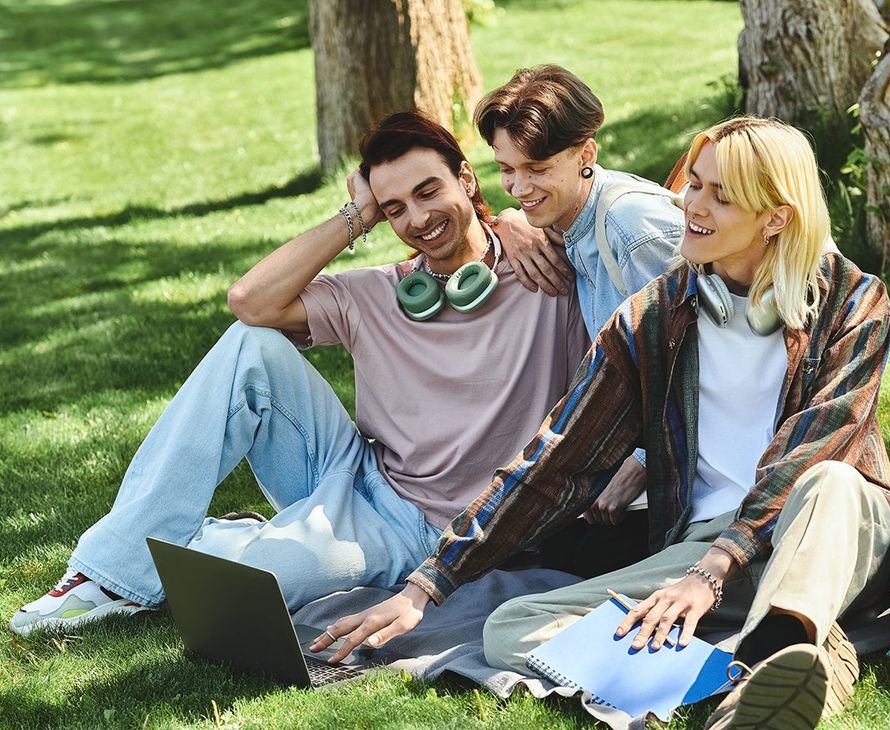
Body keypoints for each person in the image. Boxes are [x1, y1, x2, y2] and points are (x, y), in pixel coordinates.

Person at [315, 117, 890, 730]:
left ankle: (782, 641)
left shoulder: (853, 301)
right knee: (511, 627)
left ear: (776, 217)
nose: (690, 206)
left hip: (830, 533)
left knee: (830, 483)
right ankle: (774, 664)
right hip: (705, 546)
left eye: (719, 196)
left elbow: (815, 445)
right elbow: (556, 460)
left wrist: (713, 573)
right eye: (694, 185)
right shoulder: (653, 318)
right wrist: (428, 585)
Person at [10, 111, 588, 636]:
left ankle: (222, 535)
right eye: (394, 209)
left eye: (428, 190)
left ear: (467, 178)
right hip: (360, 477)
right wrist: (355, 216)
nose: (418, 219)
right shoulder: (381, 294)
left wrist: (513, 219)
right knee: (251, 345)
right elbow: (250, 302)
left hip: (430, 526)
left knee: (241, 588)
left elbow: (611, 214)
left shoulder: (547, 266)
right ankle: (109, 575)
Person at [480, 64, 687, 576]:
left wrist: (639, 464)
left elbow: (700, 355)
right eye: (507, 169)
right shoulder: (567, 219)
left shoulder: (630, 227)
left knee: (575, 563)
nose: (519, 187)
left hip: (695, 464)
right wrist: (506, 222)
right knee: (543, 554)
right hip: (638, 448)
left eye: (537, 168)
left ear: (586, 155)